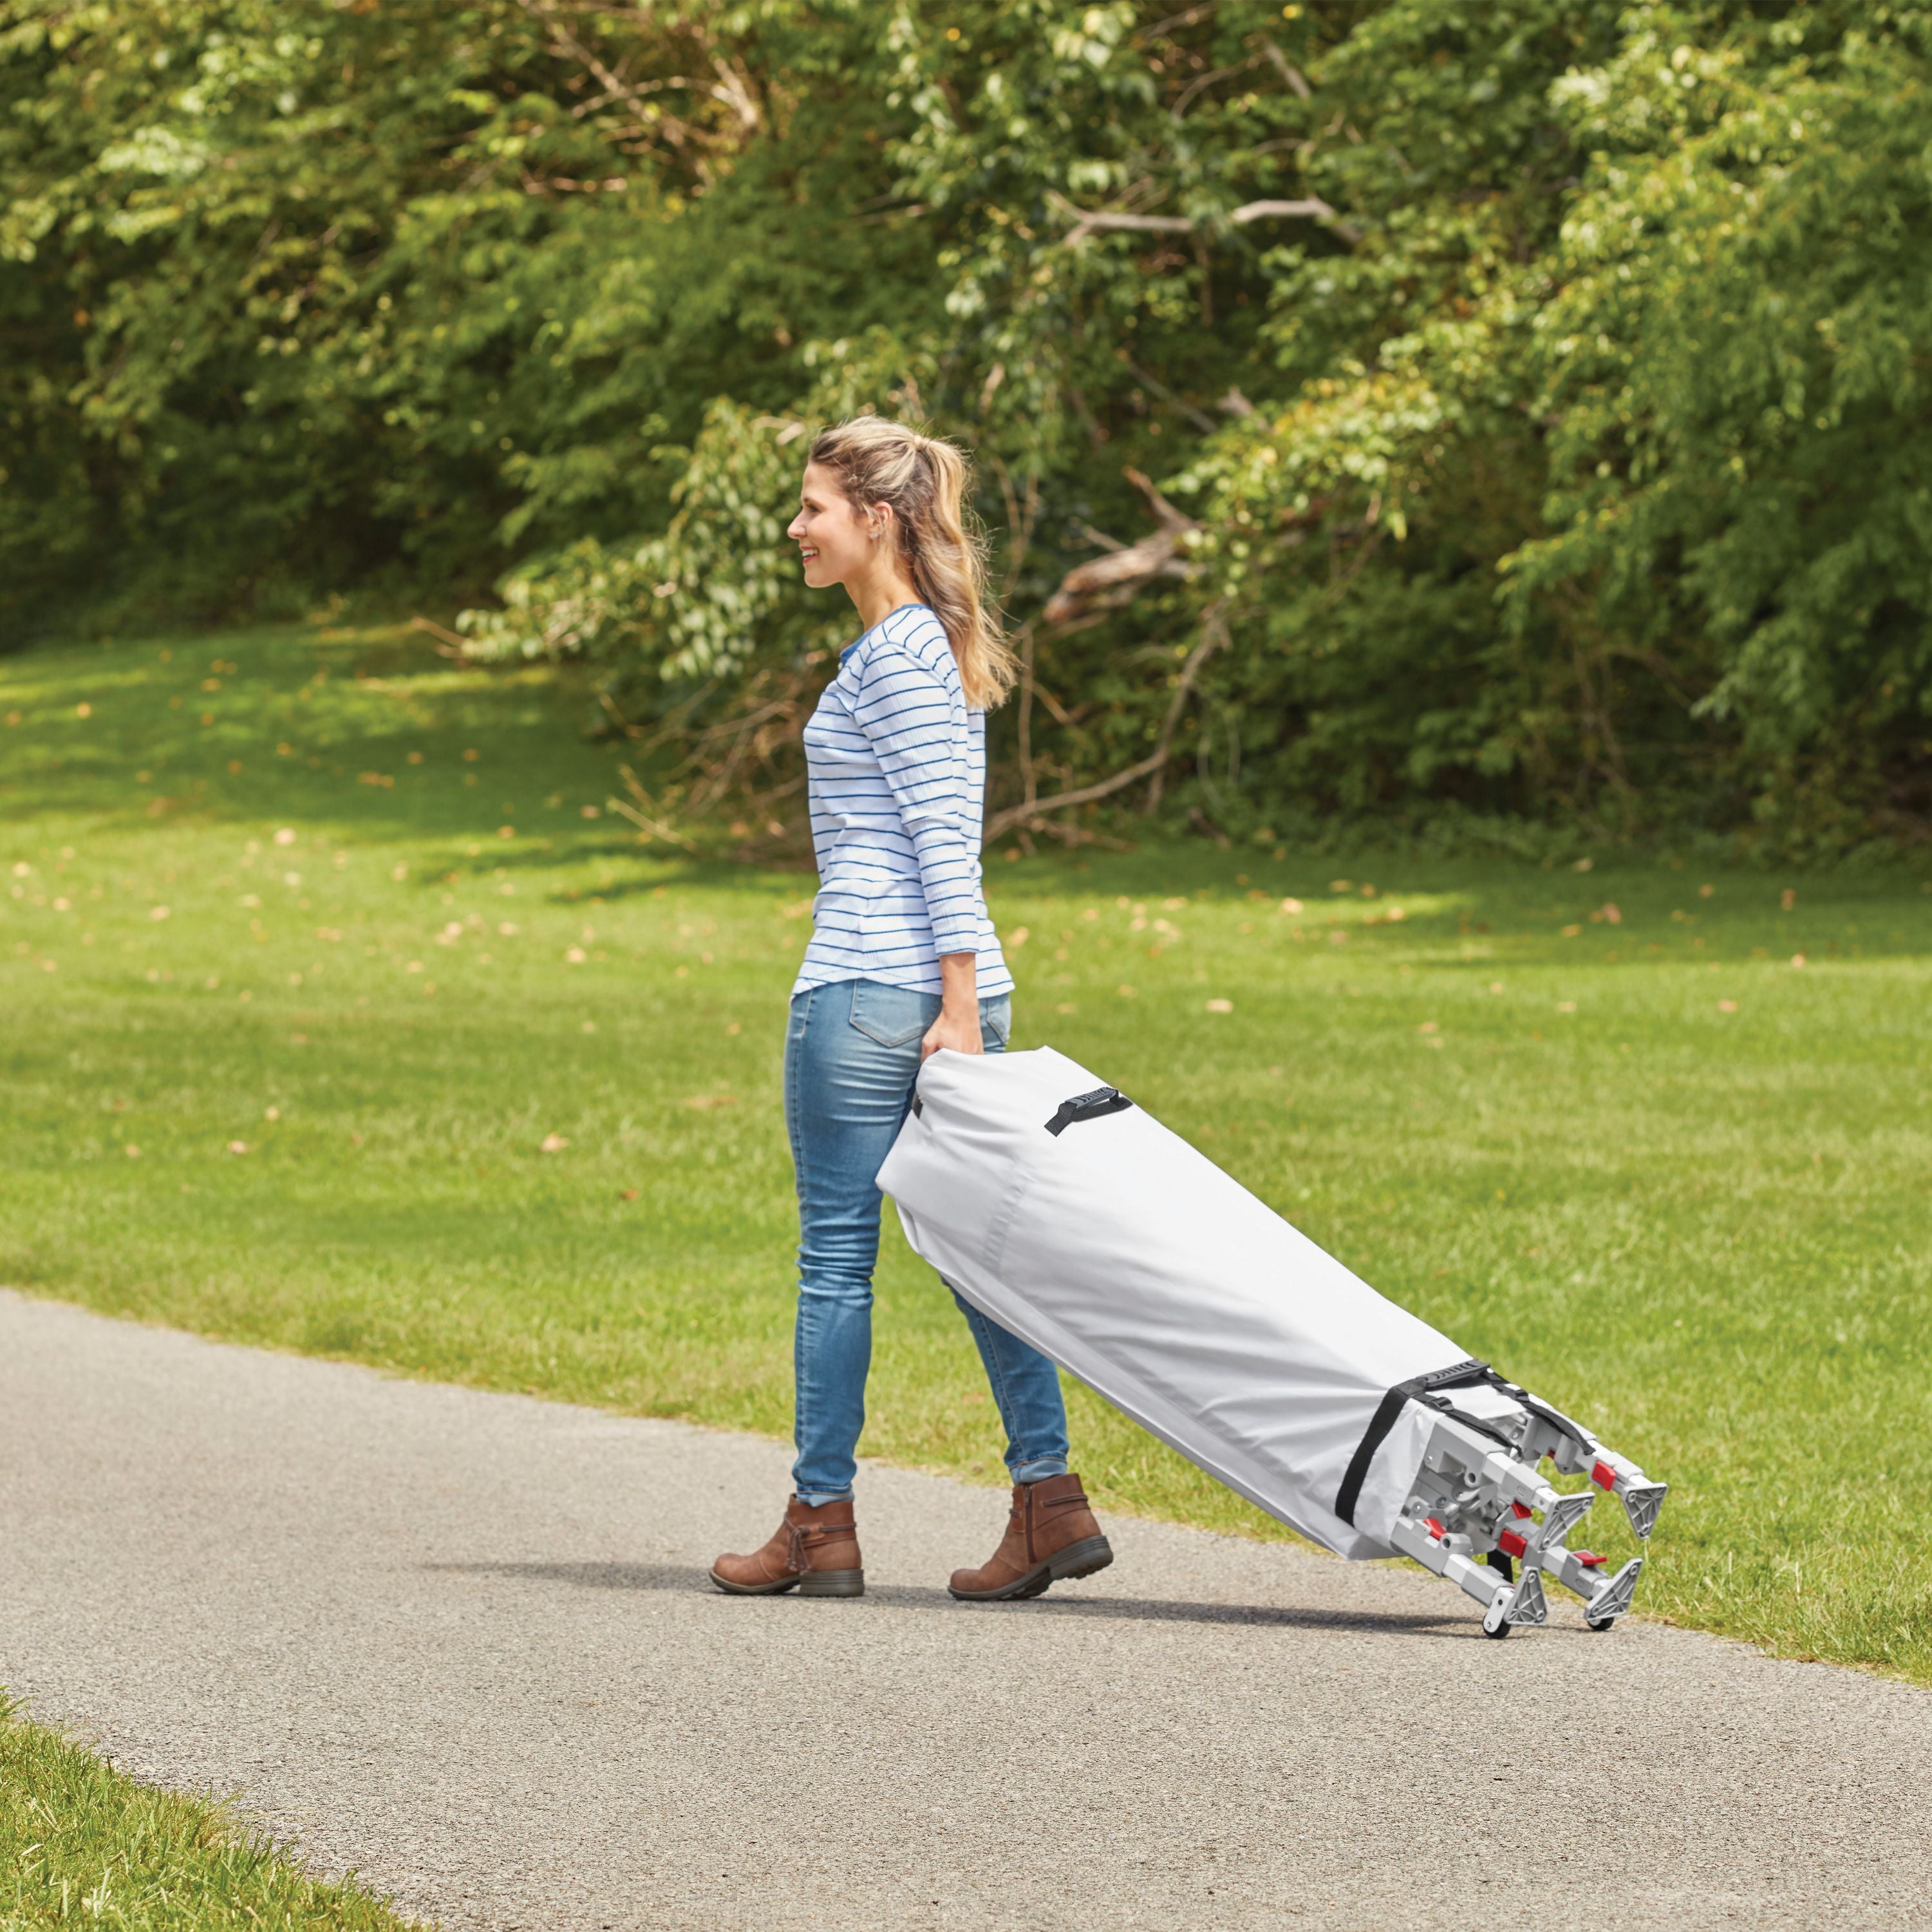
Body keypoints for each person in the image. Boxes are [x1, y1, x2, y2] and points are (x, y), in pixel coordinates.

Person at [709, 415, 1114, 1604]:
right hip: (940, 986)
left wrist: (954, 1004)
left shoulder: (899, 657)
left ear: (874, 519)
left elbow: (947, 840)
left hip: (873, 990)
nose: (797, 528)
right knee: (977, 1259)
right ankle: (1049, 1501)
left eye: (813, 508)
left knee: (837, 1260)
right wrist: (964, 997)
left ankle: (820, 1523)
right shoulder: (916, 650)